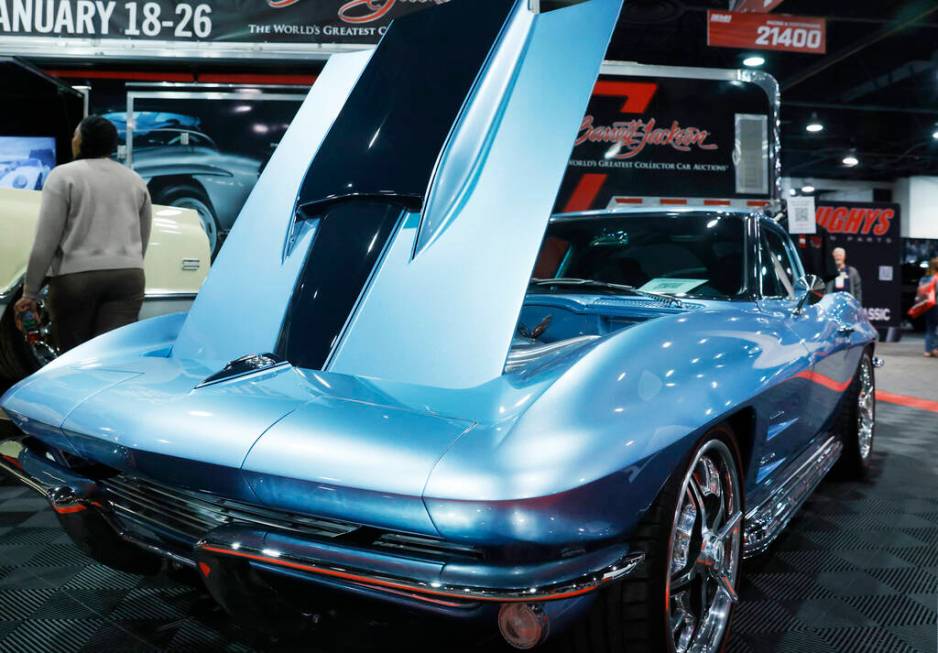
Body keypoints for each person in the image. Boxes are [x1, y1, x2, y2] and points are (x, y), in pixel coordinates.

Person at [14, 116, 152, 353]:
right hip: (128, 278)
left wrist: (30, 293)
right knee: (112, 355)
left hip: (76, 280)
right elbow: (143, 236)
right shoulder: (135, 180)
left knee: (75, 356)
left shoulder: (63, 176)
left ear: (82, 141)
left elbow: (46, 240)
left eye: (76, 135)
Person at [919, 257, 938, 358]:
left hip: (928, 305)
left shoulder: (925, 278)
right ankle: (935, 349)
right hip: (936, 305)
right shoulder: (936, 278)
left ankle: (927, 350)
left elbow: (920, 292)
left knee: (930, 328)